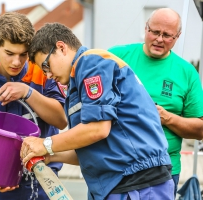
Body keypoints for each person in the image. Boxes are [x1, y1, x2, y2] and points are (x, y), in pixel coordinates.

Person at [21, 22, 174, 200]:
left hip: (137, 184)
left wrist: (45, 144)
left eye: (46, 66)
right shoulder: (76, 85)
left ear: (61, 47)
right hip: (121, 184)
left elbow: (97, 129)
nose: (48, 76)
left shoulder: (90, 62)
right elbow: (91, 149)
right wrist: (51, 156)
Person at [0, 12, 67, 200]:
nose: (16, 62)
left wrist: (28, 92)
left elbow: (61, 120)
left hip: (42, 184)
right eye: (9, 53)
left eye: (23, 55)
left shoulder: (44, 74)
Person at [108, 8, 203, 196]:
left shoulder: (186, 72)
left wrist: (166, 118)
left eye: (167, 35)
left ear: (177, 37)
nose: (159, 39)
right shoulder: (115, 57)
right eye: (155, 32)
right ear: (146, 28)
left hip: (163, 172)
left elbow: (200, 130)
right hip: (116, 166)